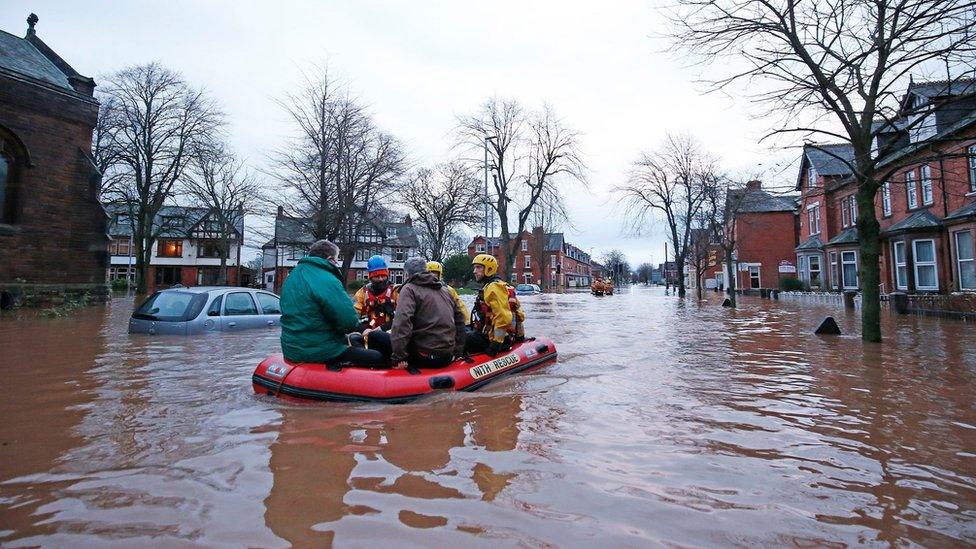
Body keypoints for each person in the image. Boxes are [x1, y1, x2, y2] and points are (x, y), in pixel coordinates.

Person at [279, 239, 384, 367]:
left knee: (352, 341)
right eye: (336, 259)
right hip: (318, 350)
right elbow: (348, 322)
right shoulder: (327, 280)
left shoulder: (291, 277)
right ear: (330, 259)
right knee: (376, 356)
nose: (337, 263)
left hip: (291, 349)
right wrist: (362, 328)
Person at [389, 257, 466, 370]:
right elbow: (460, 319)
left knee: (377, 337)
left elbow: (402, 323)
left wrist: (399, 357)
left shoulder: (409, 289)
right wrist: (458, 351)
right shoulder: (445, 290)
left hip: (425, 355)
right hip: (447, 355)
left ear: (406, 274)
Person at [466, 254, 525, 356]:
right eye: (475, 267)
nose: (474, 271)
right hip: (507, 337)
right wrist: (520, 336)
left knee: (459, 336)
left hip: (497, 341)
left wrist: (496, 344)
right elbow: (519, 313)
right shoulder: (503, 285)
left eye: (479, 267)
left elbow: (503, 317)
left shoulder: (493, 288)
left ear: (489, 269)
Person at [353, 255, 398, 359]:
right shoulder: (362, 293)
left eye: (383, 276)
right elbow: (353, 315)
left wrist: (382, 329)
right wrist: (363, 330)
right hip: (368, 331)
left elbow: (404, 317)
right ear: (370, 276)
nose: (381, 279)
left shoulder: (396, 292)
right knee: (353, 338)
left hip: (390, 332)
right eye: (377, 276)